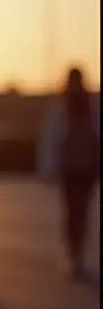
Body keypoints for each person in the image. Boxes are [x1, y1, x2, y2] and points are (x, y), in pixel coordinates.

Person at [38, 67, 100, 281]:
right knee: (71, 213)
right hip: (69, 169)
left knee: (83, 213)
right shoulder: (60, 107)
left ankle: (79, 255)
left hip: (87, 169)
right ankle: (72, 255)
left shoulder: (91, 106)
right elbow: (51, 139)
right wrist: (47, 168)